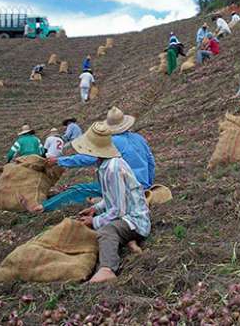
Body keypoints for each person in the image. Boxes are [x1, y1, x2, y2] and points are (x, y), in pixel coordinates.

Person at [56, 122, 150, 283]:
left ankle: (107, 268)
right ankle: (128, 241)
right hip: (125, 213)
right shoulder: (105, 165)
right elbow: (110, 198)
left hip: (134, 218)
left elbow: (119, 210)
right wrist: (94, 209)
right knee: (99, 222)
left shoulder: (113, 168)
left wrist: (95, 221)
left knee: (107, 231)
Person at [25, 107, 155, 212]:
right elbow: (150, 163)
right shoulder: (139, 138)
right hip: (142, 184)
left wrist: (59, 161)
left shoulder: (112, 141)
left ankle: (42, 208)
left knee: (78, 190)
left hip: (125, 185)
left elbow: (87, 158)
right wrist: (147, 184)